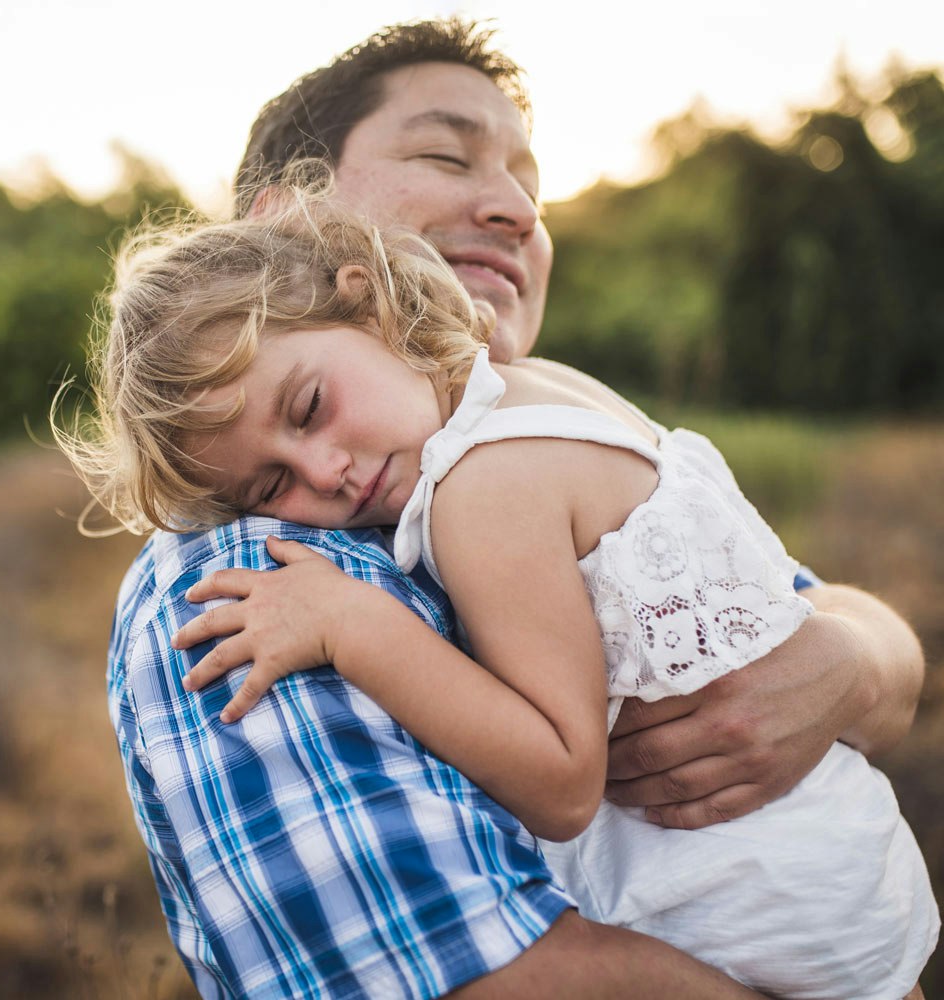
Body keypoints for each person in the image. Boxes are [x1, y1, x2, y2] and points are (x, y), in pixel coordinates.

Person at [83, 18, 926, 997]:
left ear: (357, 298)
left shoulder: (507, 448)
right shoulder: (236, 576)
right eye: (446, 155)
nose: (517, 210)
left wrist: (852, 658)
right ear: (298, 226)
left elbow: (822, 634)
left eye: (532, 182)